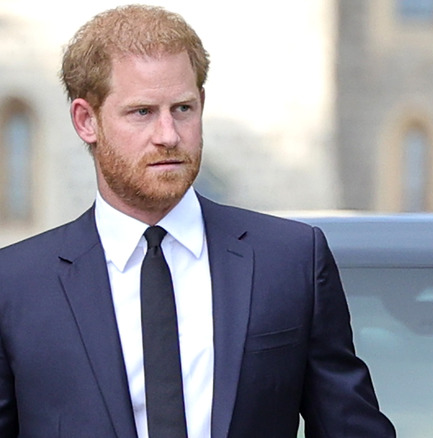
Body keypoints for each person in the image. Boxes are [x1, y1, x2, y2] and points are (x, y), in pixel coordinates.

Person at [0, 5, 395, 438]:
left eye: (183, 108)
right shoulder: (15, 285)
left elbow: (351, 428)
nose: (169, 134)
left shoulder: (289, 261)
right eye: (142, 112)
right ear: (86, 120)